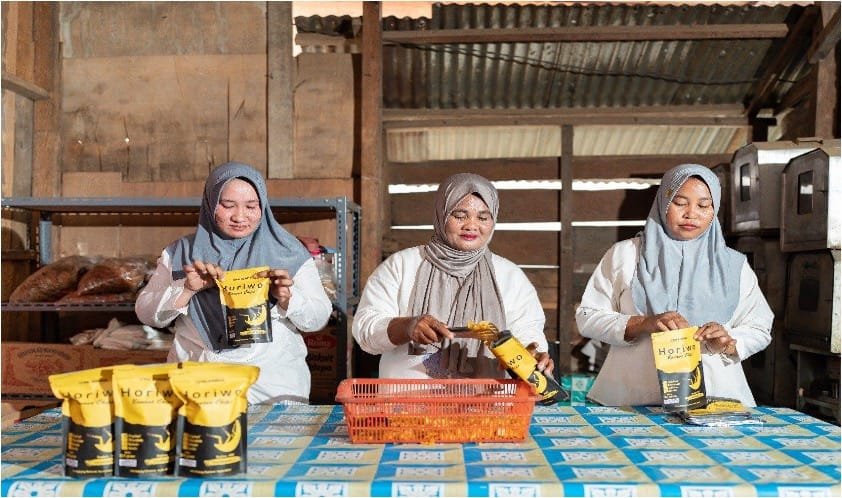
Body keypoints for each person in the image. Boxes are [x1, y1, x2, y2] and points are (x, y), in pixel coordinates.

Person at [575, 163, 773, 407]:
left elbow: (759, 328)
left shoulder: (734, 266)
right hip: (632, 401)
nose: (691, 214)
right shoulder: (625, 255)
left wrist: (728, 341)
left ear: (715, 210)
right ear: (663, 203)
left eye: (703, 205)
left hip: (715, 400)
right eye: (680, 203)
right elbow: (587, 316)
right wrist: (641, 323)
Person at [135, 161, 332, 404]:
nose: (240, 217)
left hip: (270, 385)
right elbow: (146, 313)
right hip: (197, 385)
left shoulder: (289, 252)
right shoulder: (181, 253)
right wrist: (186, 289)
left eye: (251, 206)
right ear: (210, 203)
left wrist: (287, 298)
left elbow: (318, 318)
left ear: (263, 206)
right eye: (228, 205)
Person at [353, 173, 554, 380]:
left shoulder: (510, 276)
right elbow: (366, 332)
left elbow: (528, 333)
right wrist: (407, 326)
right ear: (442, 214)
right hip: (407, 396)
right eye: (459, 215)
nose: (471, 225)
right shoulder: (401, 266)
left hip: (488, 397)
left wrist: (534, 355)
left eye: (483, 217)